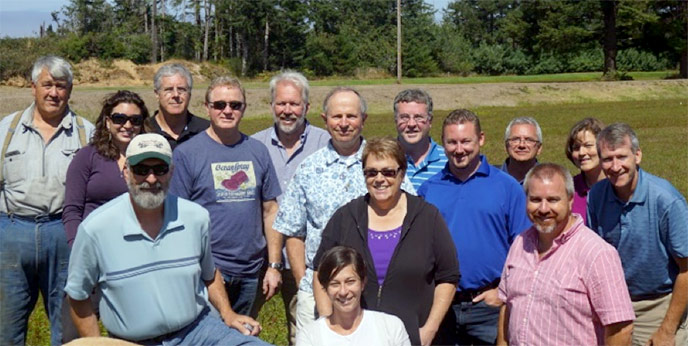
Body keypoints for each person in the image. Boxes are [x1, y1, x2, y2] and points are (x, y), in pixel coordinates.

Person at [64, 133, 268, 345]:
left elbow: (209, 275)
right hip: (135, 340)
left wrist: (228, 313)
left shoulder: (195, 217)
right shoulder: (95, 228)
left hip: (199, 331)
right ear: (126, 172)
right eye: (141, 170)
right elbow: (78, 295)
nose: (151, 179)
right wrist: (97, 342)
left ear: (171, 171)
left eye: (159, 169)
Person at [273, 87, 415, 333]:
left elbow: (410, 214)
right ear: (325, 120)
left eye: (351, 116)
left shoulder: (383, 165)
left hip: (373, 292)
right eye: (337, 117)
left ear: (364, 119)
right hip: (319, 291)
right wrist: (304, 283)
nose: (344, 123)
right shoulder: (308, 169)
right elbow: (294, 232)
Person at [312, 137, 459, 345]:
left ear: (402, 173)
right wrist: (328, 327)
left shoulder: (427, 217)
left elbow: (448, 277)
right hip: (356, 338)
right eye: (371, 172)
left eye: (388, 172)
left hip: (412, 337)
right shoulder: (346, 217)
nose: (379, 179)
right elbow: (320, 272)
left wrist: (428, 330)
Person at [0, 55, 95, 345]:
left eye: (61, 86)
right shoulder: (6, 129)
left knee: (66, 325)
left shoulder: (86, 133)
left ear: (71, 90)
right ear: (33, 87)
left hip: (64, 233)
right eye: (48, 85)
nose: (54, 93)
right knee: (7, 325)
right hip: (13, 232)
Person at [170, 76, 282, 318]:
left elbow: (270, 209)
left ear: (244, 108)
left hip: (252, 271)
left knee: (243, 336)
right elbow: (177, 217)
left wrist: (273, 265)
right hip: (209, 271)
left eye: (235, 105)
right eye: (220, 104)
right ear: (207, 107)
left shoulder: (258, 151)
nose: (227, 110)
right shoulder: (186, 154)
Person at [418, 109, 531, 345]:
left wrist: (502, 293)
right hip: (442, 306)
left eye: (466, 141)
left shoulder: (507, 187)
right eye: (452, 142)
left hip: (488, 307)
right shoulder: (430, 189)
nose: (459, 149)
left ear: (481, 139)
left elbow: (526, 250)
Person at [496, 163, 634, 345]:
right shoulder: (520, 243)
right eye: (535, 200)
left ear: (570, 200)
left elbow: (620, 328)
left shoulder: (597, 254)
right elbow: (508, 305)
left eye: (553, 200)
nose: (543, 209)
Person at [587, 123, 688, 346]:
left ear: (637, 155)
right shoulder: (596, 196)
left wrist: (667, 330)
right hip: (612, 304)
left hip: (658, 304)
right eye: (607, 159)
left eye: (621, 157)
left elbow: (687, 269)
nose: (615, 167)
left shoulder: (667, 201)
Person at [251, 70, 330, 345]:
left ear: (306, 107)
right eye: (281, 103)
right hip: (262, 259)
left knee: (306, 330)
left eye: (294, 104)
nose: (287, 110)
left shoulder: (325, 144)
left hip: (307, 260)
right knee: (239, 321)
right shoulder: (254, 145)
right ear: (272, 105)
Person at [63, 90, 149, 246]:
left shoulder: (151, 160)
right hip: (95, 244)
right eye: (119, 119)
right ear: (108, 122)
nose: (127, 125)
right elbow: (72, 210)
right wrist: (76, 246)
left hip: (140, 246)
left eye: (135, 120)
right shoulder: (87, 156)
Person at [297, 246, 411, 346]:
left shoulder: (391, 327)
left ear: (362, 283)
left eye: (350, 282)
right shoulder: (310, 335)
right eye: (335, 284)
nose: (343, 291)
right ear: (325, 288)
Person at [145, 63, 209, 150]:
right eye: (169, 89)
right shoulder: (145, 131)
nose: (175, 95)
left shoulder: (206, 131)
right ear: (157, 94)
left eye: (181, 89)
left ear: (189, 94)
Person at [393, 89, 447, 190]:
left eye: (418, 117)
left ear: (430, 121)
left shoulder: (448, 161)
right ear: (395, 120)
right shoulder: (383, 159)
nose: (411, 124)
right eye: (404, 117)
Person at [564, 117, 605, 225]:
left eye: (588, 146)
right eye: (576, 148)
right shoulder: (567, 189)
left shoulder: (618, 186)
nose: (582, 152)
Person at [496, 116, 542, 184]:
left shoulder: (552, 181)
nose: (522, 145)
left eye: (529, 140)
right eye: (515, 139)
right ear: (506, 146)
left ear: (539, 148)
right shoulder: (489, 179)